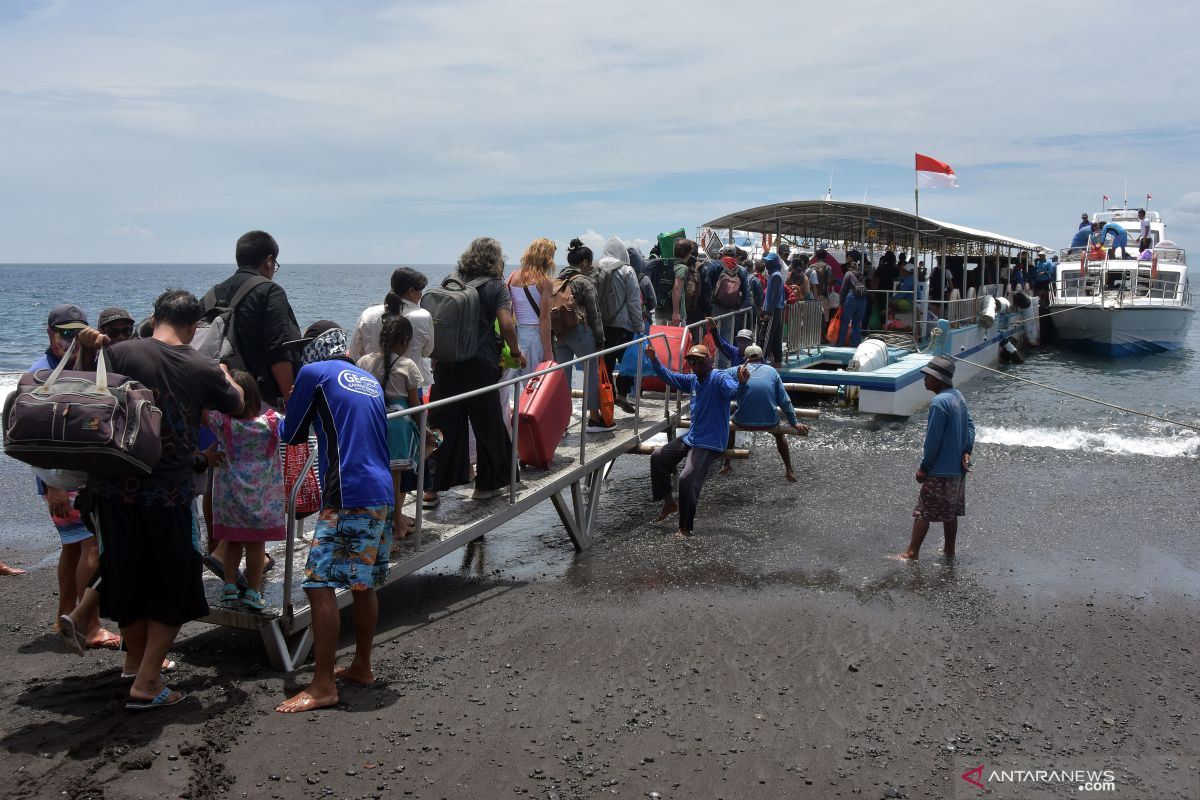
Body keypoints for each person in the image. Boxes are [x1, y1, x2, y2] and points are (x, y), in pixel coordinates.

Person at [79, 289, 245, 710]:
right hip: (168, 494)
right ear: (193, 328)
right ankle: (147, 682)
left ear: (154, 318)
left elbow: (90, 398)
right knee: (173, 586)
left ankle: (135, 664)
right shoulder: (200, 364)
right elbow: (239, 405)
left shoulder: (122, 353)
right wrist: (223, 372)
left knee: (129, 580)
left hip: (114, 490)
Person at [277, 323, 393, 713]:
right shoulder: (369, 380)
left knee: (318, 581)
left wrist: (285, 404)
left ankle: (323, 684)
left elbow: (290, 433)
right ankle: (362, 665)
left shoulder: (314, 374)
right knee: (364, 584)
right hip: (380, 490)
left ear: (314, 349)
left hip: (347, 491)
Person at [28, 305, 118, 646]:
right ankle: (88, 625)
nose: (72, 341)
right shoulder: (41, 374)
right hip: (60, 480)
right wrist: (50, 486)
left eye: (77, 334)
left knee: (72, 548)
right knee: (91, 546)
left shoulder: (74, 367)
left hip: (66, 476)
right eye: (65, 334)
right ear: (50, 333)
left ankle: (64, 615)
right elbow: (30, 439)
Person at [427, 237, 526, 504]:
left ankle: (430, 489)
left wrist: (436, 355)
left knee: (440, 424)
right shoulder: (495, 286)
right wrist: (516, 351)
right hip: (480, 364)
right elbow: (506, 324)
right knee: (488, 424)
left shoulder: (452, 279)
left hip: (447, 363)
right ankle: (485, 486)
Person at [647, 344, 749, 537]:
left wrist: (742, 383)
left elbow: (733, 392)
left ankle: (684, 528)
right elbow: (669, 377)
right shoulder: (693, 380)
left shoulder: (719, 377)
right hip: (693, 437)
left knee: (686, 479)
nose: (695, 365)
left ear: (709, 360)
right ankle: (669, 502)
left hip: (710, 441)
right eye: (691, 361)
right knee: (658, 457)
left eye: (699, 361)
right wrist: (654, 360)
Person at [204, 370, 284, 613]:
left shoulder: (223, 424)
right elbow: (295, 425)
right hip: (262, 500)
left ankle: (229, 586)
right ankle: (253, 591)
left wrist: (221, 373)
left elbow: (201, 413)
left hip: (231, 500)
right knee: (256, 546)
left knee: (233, 541)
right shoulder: (271, 423)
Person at [203, 231, 300, 410]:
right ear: (269, 261)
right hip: (257, 401)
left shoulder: (211, 295)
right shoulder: (270, 291)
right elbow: (278, 349)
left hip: (218, 398)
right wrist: (291, 402)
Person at [895, 355, 974, 561]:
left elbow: (933, 441)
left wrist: (924, 467)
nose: (924, 380)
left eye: (928, 376)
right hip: (957, 469)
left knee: (924, 511)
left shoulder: (939, 403)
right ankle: (949, 550)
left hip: (939, 469)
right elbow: (971, 426)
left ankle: (911, 552)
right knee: (951, 512)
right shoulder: (958, 396)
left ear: (939, 379)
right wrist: (967, 450)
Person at [357, 315, 424, 538]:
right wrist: (425, 430)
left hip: (373, 421)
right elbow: (415, 405)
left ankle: (385, 521)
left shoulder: (364, 362)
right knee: (394, 479)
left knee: (378, 476)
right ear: (405, 341)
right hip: (398, 425)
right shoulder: (408, 365)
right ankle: (397, 524)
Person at [719, 344, 807, 482]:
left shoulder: (739, 369)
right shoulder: (772, 372)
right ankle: (789, 470)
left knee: (731, 426)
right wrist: (794, 422)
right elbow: (784, 401)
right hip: (769, 422)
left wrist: (732, 383)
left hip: (743, 422)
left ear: (745, 359)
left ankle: (727, 463)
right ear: (762, 358)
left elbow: (719, 374)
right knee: (780, 436)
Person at [348, 267, 435, 395]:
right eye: (420, 291)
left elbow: (355, 353)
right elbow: (427, 351)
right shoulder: (422, 316)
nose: (421, 295)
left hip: (371, 388)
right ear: (411, 291)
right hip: (410, 390)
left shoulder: (368, 314)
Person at [556, 239, 609, 432]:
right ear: (585, 262)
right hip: (580, 332)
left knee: (562, 379)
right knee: (591, 376)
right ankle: (594, 419)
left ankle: (560, 424)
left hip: (560, 333)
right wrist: (600, 340)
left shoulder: (559, 280)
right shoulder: (585, 282)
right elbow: (594, 313)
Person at [594, 236, 643, 385]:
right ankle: (623, 393)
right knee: (628, 361)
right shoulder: (627, 270)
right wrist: (639, 326)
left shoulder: (595, 268)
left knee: (604, 363)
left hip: (600, 325)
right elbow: (634, 301)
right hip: (623, 325)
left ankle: (607, 397)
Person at [505, 239, 556, 377]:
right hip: (535, 335)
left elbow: (507, 309)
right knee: (532, 383)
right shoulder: (545, 281)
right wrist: (548, 352)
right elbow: (544, 318)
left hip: (516, 333)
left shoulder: (513, 276)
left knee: (506, 378)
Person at [709, 249, 749, 368]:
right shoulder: (740, 270)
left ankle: (709, 365)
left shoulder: (715, 265)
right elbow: (745, 291)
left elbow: (707, 286)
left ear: (721, 254)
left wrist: (707, 307)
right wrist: (738, 306)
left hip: (714, 307)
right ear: (735, 256)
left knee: (711, 336)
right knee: (726, 338)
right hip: (730, 309)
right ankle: (723, 366)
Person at [760, 252, 786, 368]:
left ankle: (761, 360)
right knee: (775, 336)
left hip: (773, 310)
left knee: (766, 335)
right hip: (775, 309)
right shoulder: (774, 274)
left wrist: (769, 312)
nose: (766, 264)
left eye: (768, 262)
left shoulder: (775, 276)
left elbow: (774, 296)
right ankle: (778, 361)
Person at [838, 258, 868, 347]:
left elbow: (843, 288)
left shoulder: (848, 274)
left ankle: (841, 342)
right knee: (857, 322)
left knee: (845, 321)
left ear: (848, 268)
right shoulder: (861, 275)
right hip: (863, 299)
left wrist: (841, 300)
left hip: (852, 297)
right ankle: (856, 342)